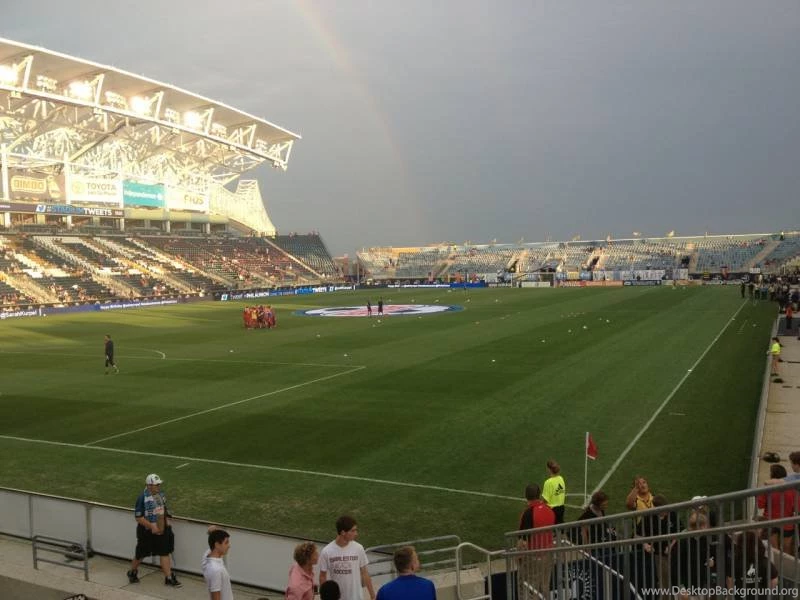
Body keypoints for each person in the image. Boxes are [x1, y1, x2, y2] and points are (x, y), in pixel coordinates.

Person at [126, 473, 181, 587]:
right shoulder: (142, 498)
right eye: (157, 485)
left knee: (164, 552)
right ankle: (132, 572)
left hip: (161, 529)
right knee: (141, 554)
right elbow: (138, 517)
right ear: (149, 486)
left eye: (159, 484)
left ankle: (168, 577)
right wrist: (152, 526)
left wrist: (166, 522)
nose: (159, 486)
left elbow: (163, 510)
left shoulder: (161, 495)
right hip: (146, 531)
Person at [319, 515, 375, 600]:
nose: (356, 534)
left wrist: (373, 595)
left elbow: (365, 573)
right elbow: (322, 576)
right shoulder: (326, 551)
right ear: (343, 532)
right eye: (353, 531)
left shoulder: (359, 548)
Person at [518, 483, 555, 595]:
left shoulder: (528, 513)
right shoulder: (549, 509)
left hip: (533, 556)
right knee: (544, 586)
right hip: (548, 553)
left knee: (528, 588)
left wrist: (519, 557)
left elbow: (523, 541)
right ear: (539, 494)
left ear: (526, 496)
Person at [757, 463, 797, 555]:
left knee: (775, 550)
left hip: (771, 522)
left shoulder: (767, 489)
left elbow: (760, 505)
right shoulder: (793, 490)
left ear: (773, 475)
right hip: (787, 523)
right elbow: (796, 508)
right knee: (787, 549)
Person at [726, 531, 778, 596]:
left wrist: (731, 595)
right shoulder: (765, 562)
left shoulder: (735, 562)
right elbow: (774, 580)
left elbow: (730, 581)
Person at [202, 528, 233, 600]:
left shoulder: (208, 556)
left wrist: (213, 533)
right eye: (226, 542)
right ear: (217, 545)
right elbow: (215, 597)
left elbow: (212, 546)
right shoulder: (215, 570)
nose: (229, 546)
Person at [541, 459, 566, 524]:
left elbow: (545, 500)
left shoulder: (548, 482)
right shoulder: (561, 478)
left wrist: (540, 504)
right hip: (561, 508)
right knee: (560, 526)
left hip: (552, 510)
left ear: (549, 470)